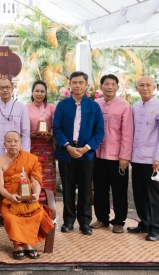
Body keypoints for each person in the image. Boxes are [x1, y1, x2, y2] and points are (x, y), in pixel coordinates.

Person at [53, 71, 104, 235]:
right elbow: (57, 128)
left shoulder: (94, 106)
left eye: (81, 82)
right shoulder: (62, 106)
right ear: (70, 85)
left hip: (86, 153)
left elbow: (99, 132)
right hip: (66, 152)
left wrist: (86, 148)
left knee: (85, 189)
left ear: (86, 85)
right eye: (74, 82)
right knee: (67, 188)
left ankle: (85, 222)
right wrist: (68, 147)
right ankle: (68, 221)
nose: (77, 85)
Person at [0, 131, 54, 260]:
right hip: (9, 200)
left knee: (38, 214)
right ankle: (18, 245)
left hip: (28, 199)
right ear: (4, 144)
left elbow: (36, 181)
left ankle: (26, 243)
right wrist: (10, 196)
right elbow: (0, 186)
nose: (12, 144)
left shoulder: (31, 159)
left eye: (15, 141)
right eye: (9, 141)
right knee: (10, 218)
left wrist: (36, 195)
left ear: (21, 143)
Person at [128, 76, 159, 242]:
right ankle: (145, 223)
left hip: (153, 160)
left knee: (156, 196)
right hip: (136, 158)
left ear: (154, 88)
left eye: (148, 85)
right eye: (141, 85)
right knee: (139, 194)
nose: (145, 88)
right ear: (137, 88)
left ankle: (157, 228)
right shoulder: (135, 106)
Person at [91, 74, 133, 234]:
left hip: (117, 157)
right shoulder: (96, 104)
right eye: (106, 84)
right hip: (98, 155)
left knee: (119, 190)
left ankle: (119, 221)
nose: (110, 87)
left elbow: (128, 133)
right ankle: (102, 218)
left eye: (113, 84)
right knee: (100, 189)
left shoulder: (124, 105)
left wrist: (124, 156)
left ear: (117, 87)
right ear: (101, 87)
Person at [0, 78, 30, 167]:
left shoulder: (21, 107)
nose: (5, 90)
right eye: (1, 88)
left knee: (16, 179)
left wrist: (25, 153)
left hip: (16, 152)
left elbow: (25, 132)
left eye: (7, 87)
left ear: (12, 89)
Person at [26, 81, 57, 196]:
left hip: (48, 148)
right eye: (37, 91)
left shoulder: (51, 108)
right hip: (32, 147)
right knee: (33, 174)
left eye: (42, 91)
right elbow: (23, 128)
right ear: (32, 92)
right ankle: (35, 204)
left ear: (46, 93)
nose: (39, 94)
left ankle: (49, 205)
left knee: (49, 176)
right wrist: (31, 134)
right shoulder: (25, 108)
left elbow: (56, 126)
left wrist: (51, 134)